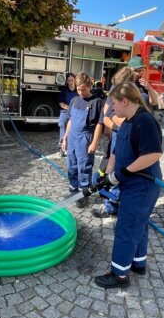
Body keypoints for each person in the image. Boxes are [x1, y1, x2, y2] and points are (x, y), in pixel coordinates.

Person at [94, 82, 162, 289]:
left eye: (114, 103)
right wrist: (106, 174)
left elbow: (153, 154)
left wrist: (122, 173)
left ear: (125, 101)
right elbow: (116, 151)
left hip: (143, 184)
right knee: (138, 224)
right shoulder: (126, 121)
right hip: (130, 183)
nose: (112, 108)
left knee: (127, 226)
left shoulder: (145, 121)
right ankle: (138, 264)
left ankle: (119, 275)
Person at [92, 67, 135, 218]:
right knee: (111, 168)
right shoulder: (115, 92)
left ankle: (113, 205)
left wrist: (120, 125)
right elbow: (107, 115)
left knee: (120, 170)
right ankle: (112, 202)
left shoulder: (139, 96)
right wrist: (116, 126)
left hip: (125, 138)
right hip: (117, 136)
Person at [62, 72, 103, 208]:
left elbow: (99, 124)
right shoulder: (74, 100)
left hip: (85, 138)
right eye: (78, 89)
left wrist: (94, 142)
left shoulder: (96, 102)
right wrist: (65, 138)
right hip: (73, 137)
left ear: (89, 86)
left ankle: (83, 194)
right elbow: (70, 121)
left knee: (84, 167)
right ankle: (73, 190)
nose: (80, 92)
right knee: (71, 165)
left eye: (83, 89)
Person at [58, 73, 77, 157]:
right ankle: (61, 147)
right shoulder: (64, 91)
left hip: (76, 112)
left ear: (75, 80)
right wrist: (68, 108)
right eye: (68, 81)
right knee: (62, 126)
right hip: (65, 111)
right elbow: (61, 103)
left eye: (72, 80)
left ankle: (72, 147)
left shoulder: (78, 91)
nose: (70, 82)